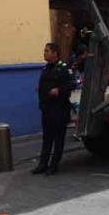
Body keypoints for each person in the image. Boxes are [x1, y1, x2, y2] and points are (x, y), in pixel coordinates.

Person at [32, 43, 77, 175]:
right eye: (44, 50)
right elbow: (44, 84)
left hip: (59, 108)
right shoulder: (46, 68)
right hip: (47, 108)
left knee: (58, 138)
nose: (44, 53)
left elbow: (72, 84)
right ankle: (43, 164)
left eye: (47, 51)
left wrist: (59, 90)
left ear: (55, 53)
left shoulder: (63, 67)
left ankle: (54, 165)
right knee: (47, 137)